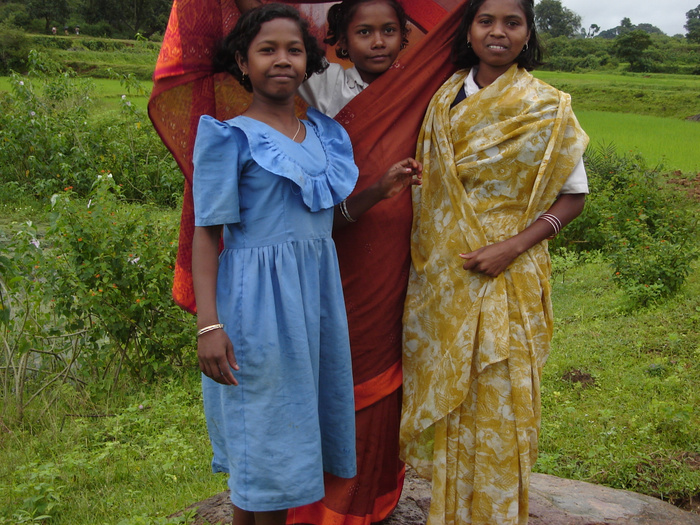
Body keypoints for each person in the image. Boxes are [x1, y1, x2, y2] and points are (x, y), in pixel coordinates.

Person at [148, 1, 467, 523]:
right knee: (266, 449)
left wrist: (378, 192)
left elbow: (327, 220)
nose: (282, 60)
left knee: (288, 446)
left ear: (311, 61)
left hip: (315, 306)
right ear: (242, 62)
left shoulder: (324, 134)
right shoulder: (227, 136)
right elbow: (207, 236)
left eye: (294, 50)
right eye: (266, 50)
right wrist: (209, 324)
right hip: (256, 309)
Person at [399, 0, 589, 523]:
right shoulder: (441, 99)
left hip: (511, 273)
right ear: (469, 30)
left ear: (528, 33)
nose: (498, 32)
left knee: (504, 402)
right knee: (457, 408)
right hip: (446, 275)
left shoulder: (548, 107)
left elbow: (573, 197)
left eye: (512, 22)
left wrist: (512, 246)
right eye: (486, 21)